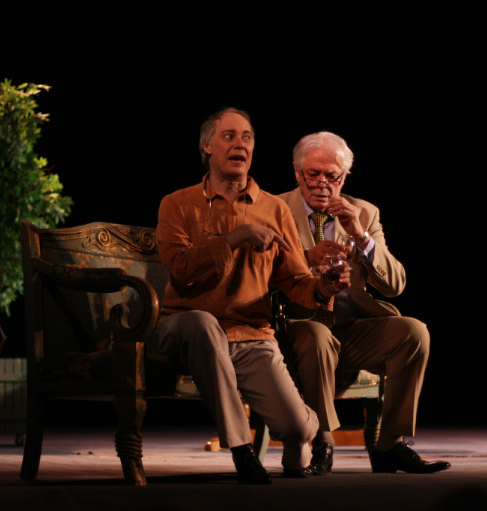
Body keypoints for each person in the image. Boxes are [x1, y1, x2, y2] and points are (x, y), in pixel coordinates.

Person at [150, 109, 351, 483]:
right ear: (207, 147)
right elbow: (180, 268)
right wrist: (236, 237)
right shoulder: (177, 203)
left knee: (296, 427)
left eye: (247, 137)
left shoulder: (274, 208)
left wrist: (327, 286)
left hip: (251, 336)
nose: (240, 144)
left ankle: (302, 431)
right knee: (204, 324)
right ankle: (242, 451)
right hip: (184, 327)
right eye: (228, 136)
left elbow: (295, 280)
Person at [276, 131, 450, 474]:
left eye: (331, 176)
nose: (322, 184)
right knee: (316, 336)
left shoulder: (364, 212)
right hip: (296, 329)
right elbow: (259, 273)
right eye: (313, 174)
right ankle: (323, 441)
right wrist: (307, 259)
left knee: (413, 332)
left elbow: (395, 285)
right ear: (297, 173)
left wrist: (361, 235)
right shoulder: (275, 209)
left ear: (343, 177)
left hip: (349, 330)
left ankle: (390, 445)